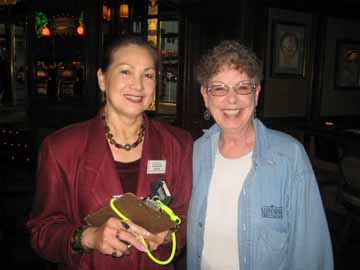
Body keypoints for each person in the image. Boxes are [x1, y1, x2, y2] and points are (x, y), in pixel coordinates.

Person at [27, 36, 193, 270]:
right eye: (126, 72)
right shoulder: (60, 148)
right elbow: (42, 232)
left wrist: (167, 235)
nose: (138, 85)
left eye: (148, 75)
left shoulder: (179, 144)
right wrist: (88, 238)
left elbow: (187, 218)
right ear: (102, 79)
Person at [187, 40, 333, 270]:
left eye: (243, 87)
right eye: (219, 88)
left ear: (256, 93)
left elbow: (311, 250)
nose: (232, 99)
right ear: (206, 95)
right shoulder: (195, 153)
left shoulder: (289, 156)